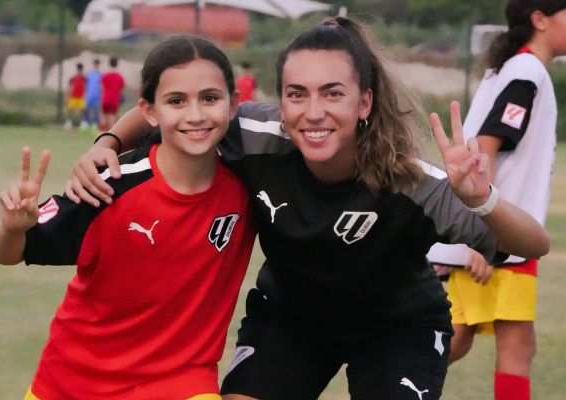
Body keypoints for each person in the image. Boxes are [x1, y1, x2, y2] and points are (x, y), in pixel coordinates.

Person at [66, 17, 549, 399]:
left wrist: (481, 200)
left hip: (397, 328)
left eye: (332, 93)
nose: (312, 111)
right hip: (291, 321)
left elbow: (533, 243)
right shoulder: (252, 133)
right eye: (297, 94)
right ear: (281, 100)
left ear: (365, 102)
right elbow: (163, 105)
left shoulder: (413, 182)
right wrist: (106, 141)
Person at [0, 36, 255, 400]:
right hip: (73, 383)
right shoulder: (110, 185)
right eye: (176, 101)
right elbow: (6, 253)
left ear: (233, 103)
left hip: (180, 382)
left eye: (209, 98)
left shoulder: (250, 180)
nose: (195, 115)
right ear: (149, 111)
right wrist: (12, 227)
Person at [427, 1, 566, 399]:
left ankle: (390, 380)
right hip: (499, 237)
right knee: (495, 345)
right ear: (540, 19)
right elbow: (485, 146)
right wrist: (482, 236)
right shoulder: (526, 72)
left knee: (466, 341)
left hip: (500, 233)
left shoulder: (513, 69)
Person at [100, 56, 125, 131]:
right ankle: (111, 134)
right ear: (117, 64)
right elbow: (122, 88)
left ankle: (101, 132)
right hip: (114, 99)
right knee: (112, 116)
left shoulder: (105, 75)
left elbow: (101, 87)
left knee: (103, 115)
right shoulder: (119, 77)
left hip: (105, 98)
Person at [65, 62, 86, 131]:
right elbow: (70, 87)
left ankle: (82, 124)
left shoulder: (84, 78)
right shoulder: (73, 77)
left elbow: (86, 87)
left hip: (80, 97)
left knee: (82, 111)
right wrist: (68, 95)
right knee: (71, 110)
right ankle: (69, 123)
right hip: (73, 96)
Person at [83, 58, 102, 131]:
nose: (96, 66)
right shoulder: (89, 74)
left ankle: (94, 124)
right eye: (95, 64)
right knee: (86, 109)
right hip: (89, 94)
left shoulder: (100, 74)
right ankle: (85, 123)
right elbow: (86, 85)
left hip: (97, 95)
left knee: (96, 110)